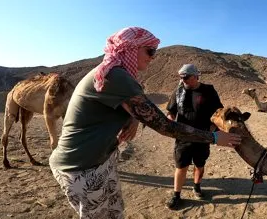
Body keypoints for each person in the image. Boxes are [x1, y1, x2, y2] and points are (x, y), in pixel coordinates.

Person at [48, 27, 241, 219]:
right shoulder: (115, 76)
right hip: (81, 166)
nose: (153, 57)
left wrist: (133, 118)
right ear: (130, 49)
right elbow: (164, 125)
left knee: (115, 214)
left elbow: (134, 107)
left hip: (101, 161)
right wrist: (214, 137)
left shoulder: (118, 75)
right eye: (150, 51)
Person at [165, 64, 224, 210]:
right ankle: (176, 195)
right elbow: (170, 111)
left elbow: (218, 111)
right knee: (181, 166)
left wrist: (212, 129)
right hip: (183, 136)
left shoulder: (208, 90)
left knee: (200, 164)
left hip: (203, 136)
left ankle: (197, 186)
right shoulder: (178, 92)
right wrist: (171, 120)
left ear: (196, 76)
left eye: (186, 77)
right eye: (181, 77)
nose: (183, 80)